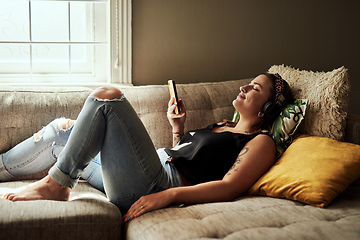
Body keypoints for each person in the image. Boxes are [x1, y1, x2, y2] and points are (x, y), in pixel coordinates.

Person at [0, 73, 292, 222]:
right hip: (148, 169)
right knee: (60, 129)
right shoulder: (223, 124)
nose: (244, 88)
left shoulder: (261, 142)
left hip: (157, 183)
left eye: (254, 88)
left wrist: (167, 195)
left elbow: (229, 186)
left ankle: (57, 184)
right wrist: (177, 127)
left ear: (268, 108)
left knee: (107, 97)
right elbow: (189, 157)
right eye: (249, 83)